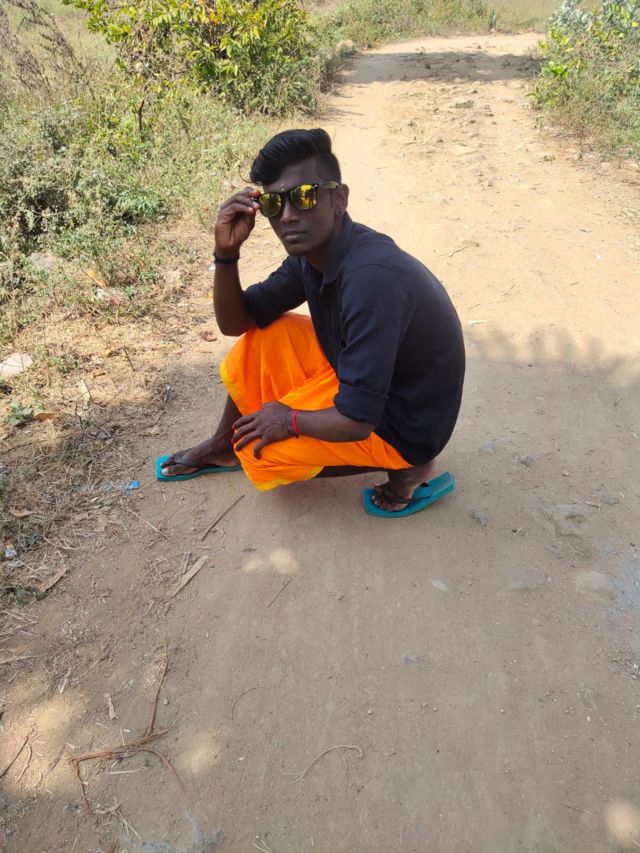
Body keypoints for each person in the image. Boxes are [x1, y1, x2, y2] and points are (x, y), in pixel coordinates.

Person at [156, 128, 465, 517]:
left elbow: (357, 421)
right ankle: (222, 446)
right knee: (265, 335)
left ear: (339, 199)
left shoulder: (371, 278)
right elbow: (237, 322)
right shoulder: (313, 256)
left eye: (305, 196)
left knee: (262, 451)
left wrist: (288, 420)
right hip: (379, 381)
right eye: (273, 203)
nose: (288, 216)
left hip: (406, 422)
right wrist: (226, 253)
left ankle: (408, 469)